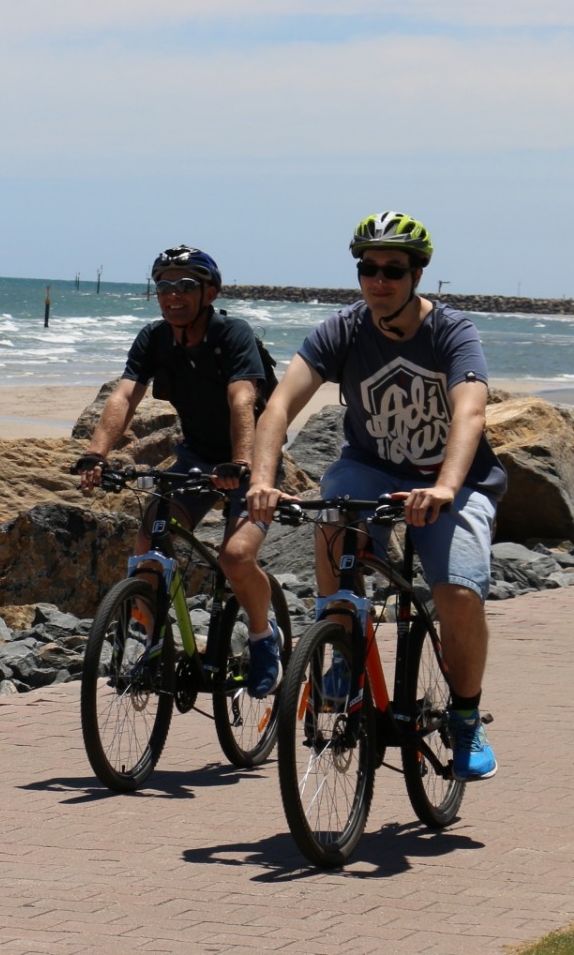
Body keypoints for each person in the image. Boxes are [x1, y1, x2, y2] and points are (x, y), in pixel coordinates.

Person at [246, 212, 505, 780]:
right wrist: (262, 481)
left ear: (418, 275)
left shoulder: (452, 333)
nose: (378, 281)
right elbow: (280, 406)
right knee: (334, 511)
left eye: (393, 270)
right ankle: (340, 646)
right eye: (368, 269)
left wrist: (444, 485)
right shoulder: (341, 330)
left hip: (453, 480)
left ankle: (465, 717)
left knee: (458, 593)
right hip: (371, 468)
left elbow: (472, 411)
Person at [74, 244, 284, 697]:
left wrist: (242, 464)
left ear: (209, 292)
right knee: (149, 541)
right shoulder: (154, 338)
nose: (173, 295)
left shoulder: (233, 334)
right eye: (164, 286)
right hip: (195, 455)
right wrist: (96, 454)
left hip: (251, 459)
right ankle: (153, 644)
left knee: (235, 557)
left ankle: (265, 637)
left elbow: (242, 399)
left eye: (185, 285)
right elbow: (125, 395)